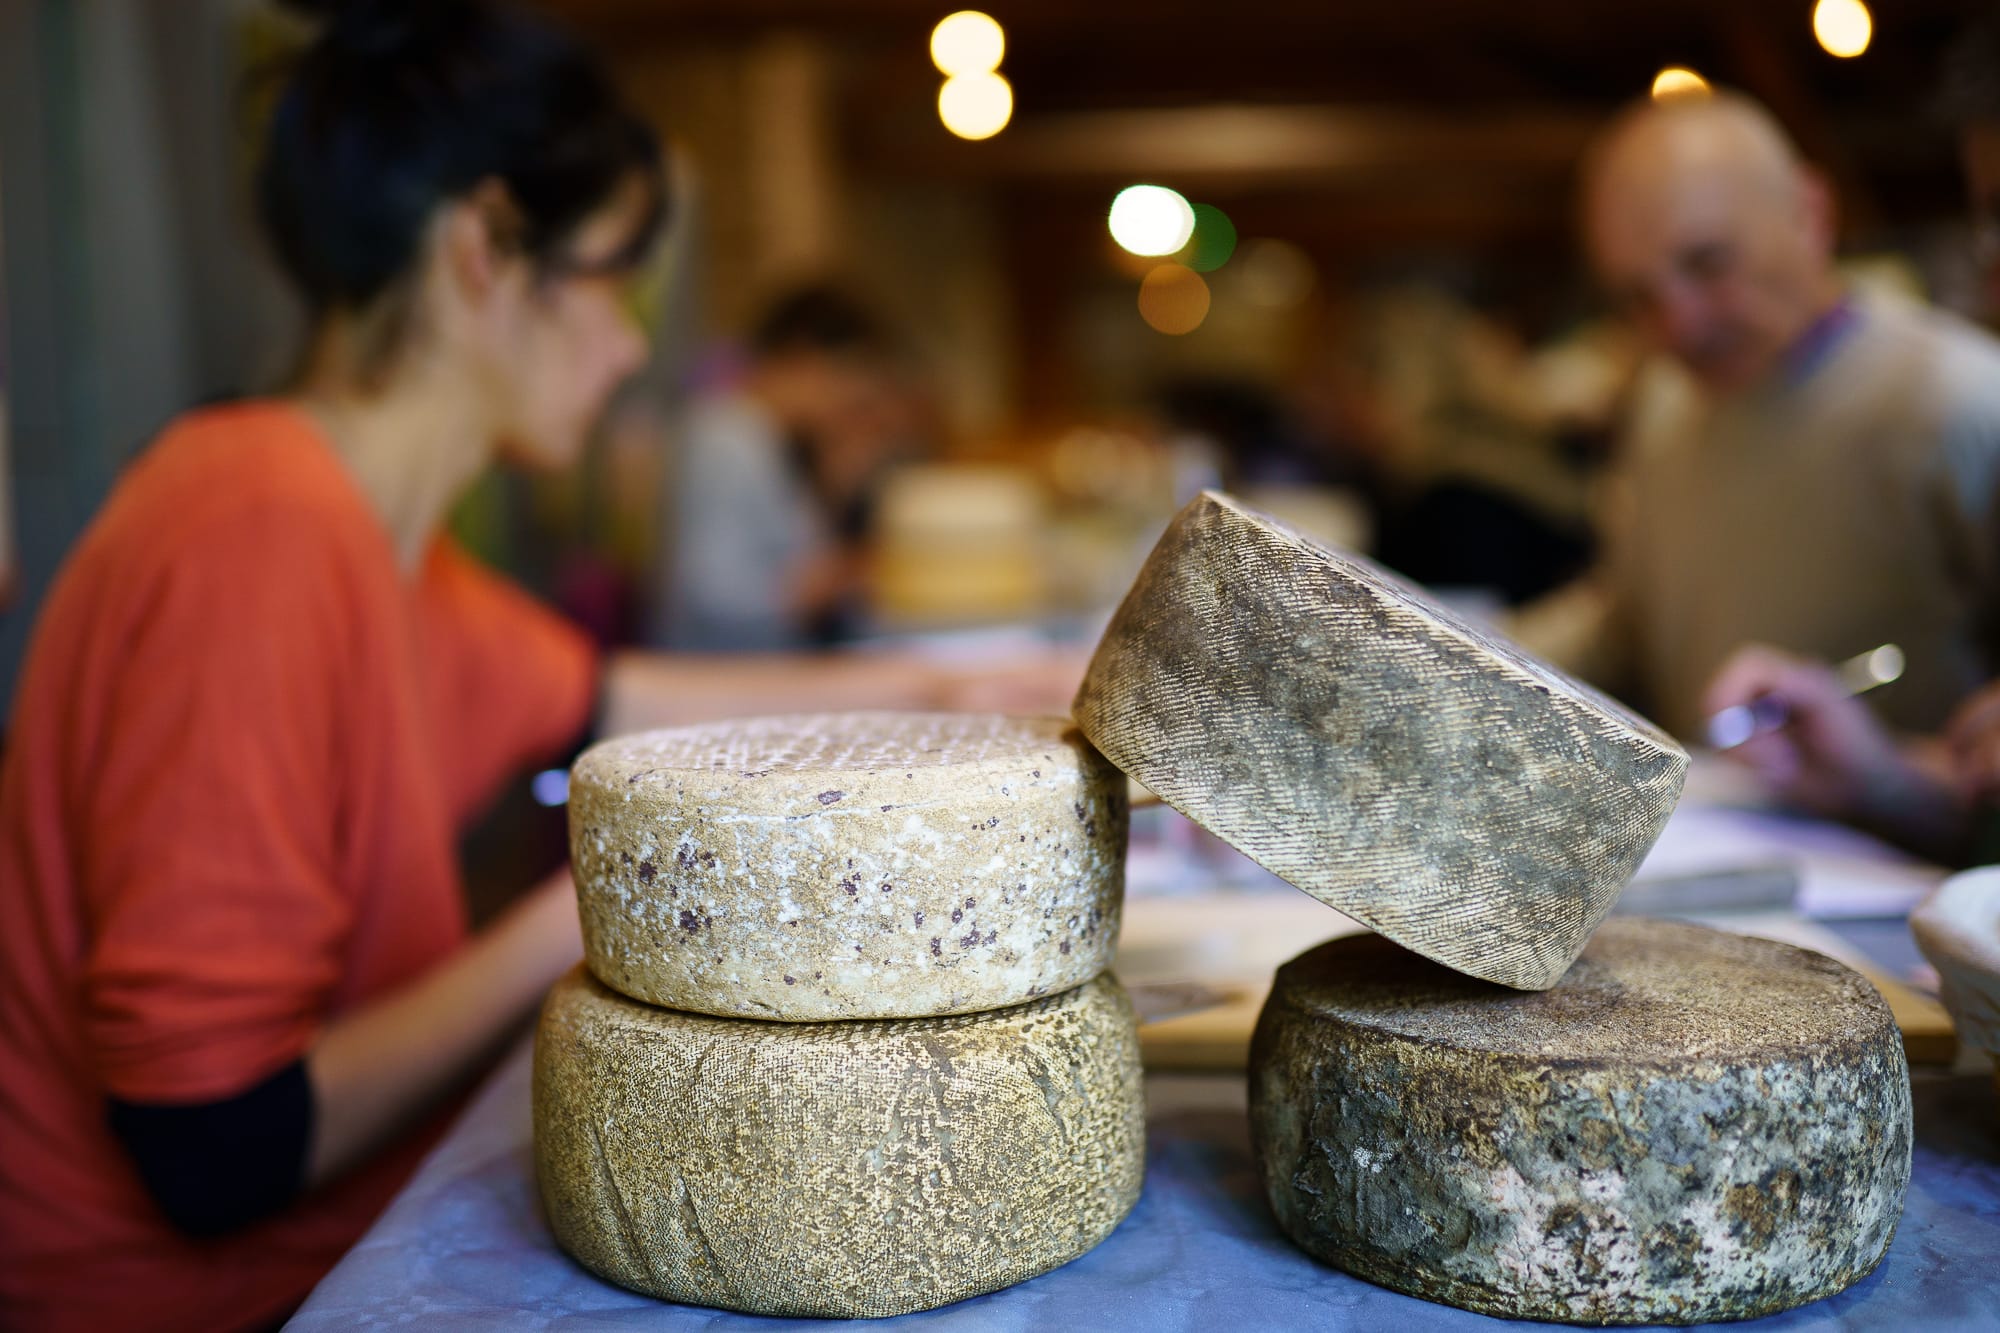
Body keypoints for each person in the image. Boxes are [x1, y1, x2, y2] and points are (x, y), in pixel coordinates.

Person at [0, 5, 1062, 1329]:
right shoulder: (255, 529)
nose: (630, 345)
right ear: (483, 250)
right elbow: (214, 1147)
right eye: (612, 278)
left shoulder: (386, 547)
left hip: (321, 1234)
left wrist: (963, 685)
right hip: (191, 1296)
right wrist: (614, 897)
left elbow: (631, 700)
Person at [1515, 90, 2000, 742]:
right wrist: (1471, 648)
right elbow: (1629, 618)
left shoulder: (1960, 401)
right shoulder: (1665, 403)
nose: (1678, 326)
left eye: (1708, 264)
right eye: (1638, 296)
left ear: (1810, 213)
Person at [657, 286, 912, 651]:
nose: (847, 401)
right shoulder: (727, 438)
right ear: (804, 358)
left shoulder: (765, 437)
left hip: (759, 665)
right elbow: (715, 595)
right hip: (729, 671)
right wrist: (831, 581)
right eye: (847, 379)